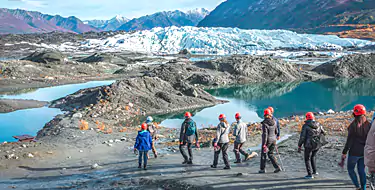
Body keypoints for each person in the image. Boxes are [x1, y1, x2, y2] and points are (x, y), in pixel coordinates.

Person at [342, 104, 371, 190]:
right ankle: (364, 188)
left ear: (354, 113)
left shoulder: (352, 126)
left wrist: (344, 152)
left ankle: (357, 187)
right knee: (361, 170)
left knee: (350, 169)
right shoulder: (369, 124)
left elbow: (349, 141)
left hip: (354, 152)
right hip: (364, 152)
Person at [298, 112, 326, 179]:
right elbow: (324, 132)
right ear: (313, 117)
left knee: (307, 159)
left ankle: (309, 174)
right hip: (317, 144)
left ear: (306, 118)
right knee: (313, 156)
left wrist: (299, 145)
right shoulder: (319, 124)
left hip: (308, 145)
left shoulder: (305, 126)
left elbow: (302, 137)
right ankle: (315, 171)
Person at [259, 108, 282, 174]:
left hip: (268, 141)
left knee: (263, 154)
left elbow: (265, 134)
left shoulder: (264, 123)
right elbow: (276, 131)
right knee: (270, 154)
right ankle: (277, 167)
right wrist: (275, 137)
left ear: (264, 115)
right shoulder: (274, 121)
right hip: (273, 140)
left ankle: (262, 169)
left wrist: (264, 144)